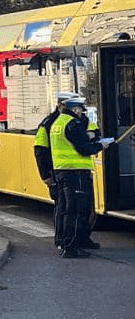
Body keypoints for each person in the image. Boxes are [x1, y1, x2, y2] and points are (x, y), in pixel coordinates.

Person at [50, 95, 110, 258]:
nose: (80, 112)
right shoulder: (73, 123)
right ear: (75, 109)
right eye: (79, 109)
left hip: (62, 172)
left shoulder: (58, 122)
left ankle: (65, 242)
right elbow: (83, 149)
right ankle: (71, 247)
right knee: (77, 210)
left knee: (67, 209)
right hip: (76, 173)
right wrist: (100, 145)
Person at [34, 92, 78, 249]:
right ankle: (60, 239)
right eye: (71, 106)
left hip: (65, 170)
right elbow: (40, 150)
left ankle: (69, 239)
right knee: (62, 206)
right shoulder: (48, 123)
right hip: (55, 172)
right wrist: (45, 176)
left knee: (68, 206)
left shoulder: (70, 121)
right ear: (60, 105)